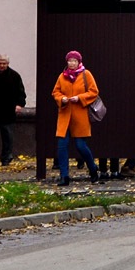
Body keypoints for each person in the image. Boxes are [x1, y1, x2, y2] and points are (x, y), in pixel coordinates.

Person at [51, 50, 101, 186]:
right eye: (70, 61)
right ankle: (64, 176)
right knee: (62, 146)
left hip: (80, 115)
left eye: (74, 61)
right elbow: (56, 92)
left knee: (81, 146)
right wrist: (62, 99)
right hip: (65, 115)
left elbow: (94, 92)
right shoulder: (62, 76)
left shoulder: (86, 74)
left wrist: (79, 98)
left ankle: (93, 169)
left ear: (79, 62)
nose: (72, 63)